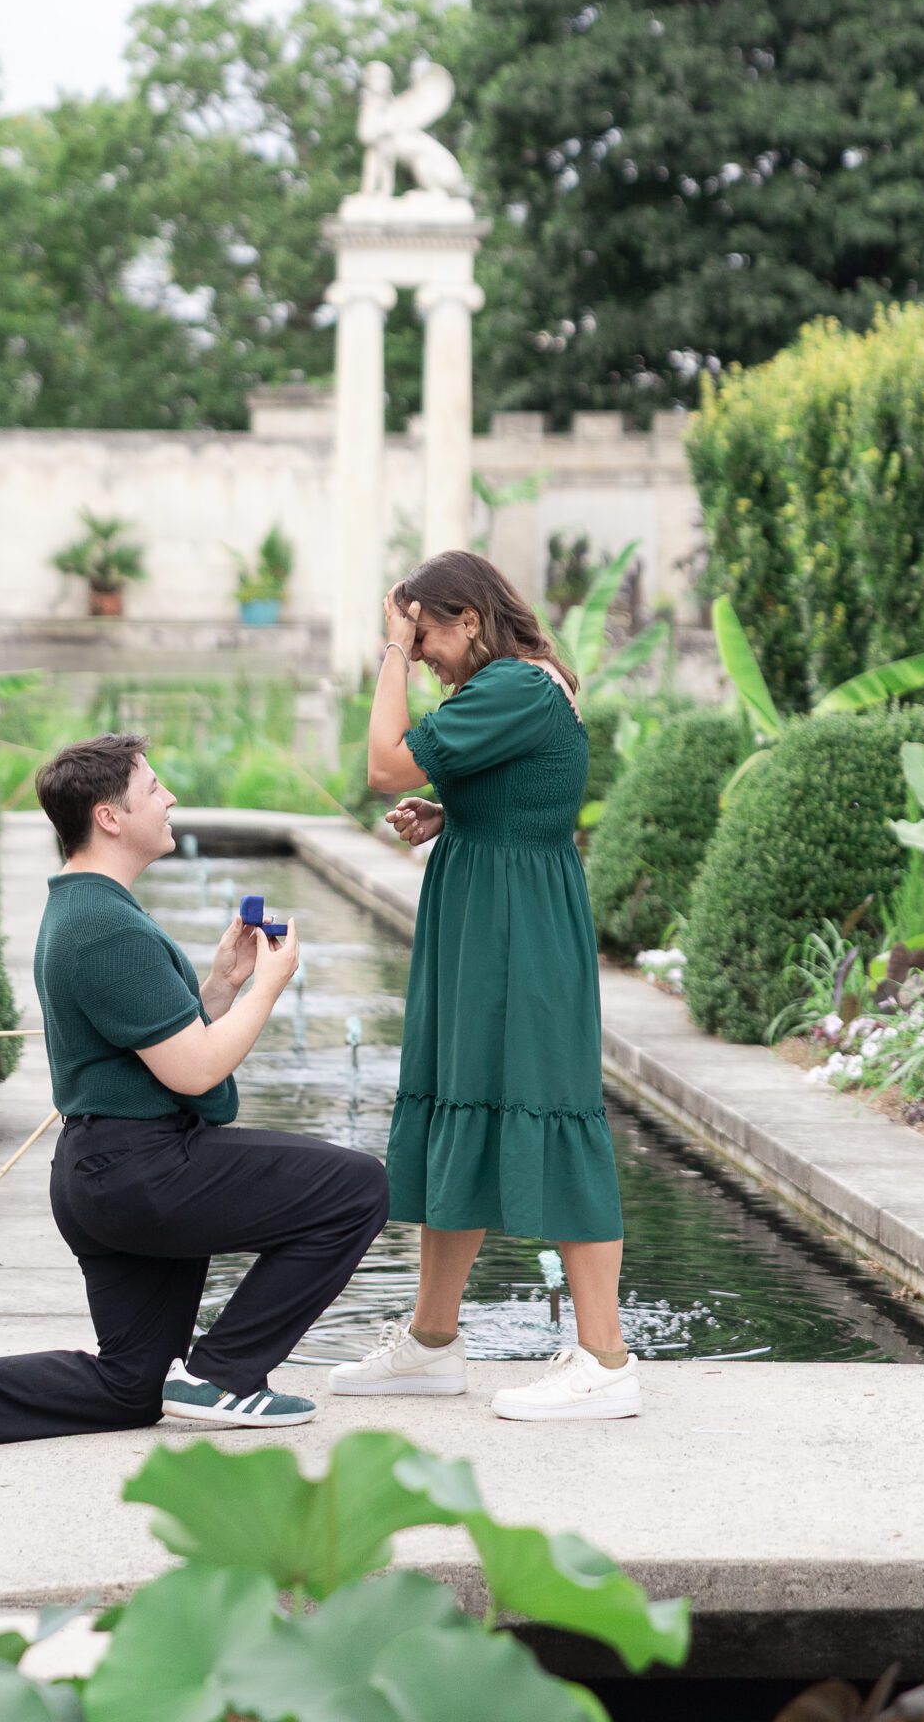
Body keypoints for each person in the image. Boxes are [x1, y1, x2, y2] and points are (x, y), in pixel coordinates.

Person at [0, 732, 390, 1465]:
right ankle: (223, 1374)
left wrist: (222, 988)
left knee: (132, 1387)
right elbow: (194, 1072)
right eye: (152, 789)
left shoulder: (89, 911)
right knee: (355, 1186)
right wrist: (269, 988)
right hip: (143, 1170)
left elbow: (154, 1046)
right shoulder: (105, 926)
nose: (169, 798)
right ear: (109, 816)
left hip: (105, 1172)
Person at [328, 549, 637, 1423]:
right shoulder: (510, 687)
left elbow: (385, 764)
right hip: (485, 913)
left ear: (468, 618)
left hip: (517, 930)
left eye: (423, 634)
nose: (417, 653)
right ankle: (431, 1342)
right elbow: (520, 793)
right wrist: (454, 809)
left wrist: (386, 651)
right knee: (457, 1100)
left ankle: (605, 1360)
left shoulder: (517, 686)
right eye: (409, 641)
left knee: (551, 1106)